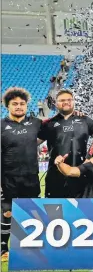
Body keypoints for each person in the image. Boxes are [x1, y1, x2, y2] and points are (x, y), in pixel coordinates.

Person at [1, 87, 45, 262]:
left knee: (32, 212)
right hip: (7, 179)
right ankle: (3, 248)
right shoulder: (1, 126)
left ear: (27, 105)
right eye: (14, 104)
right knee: (7, 213)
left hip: (31, 178)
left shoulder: (35, 123)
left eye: (22, 104)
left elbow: (47, 134)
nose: (19, 106)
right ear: (7, 106)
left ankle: (30, 248)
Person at [38, 89, 93, 198]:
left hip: (81, 174)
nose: (66, 102)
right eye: (62, 100)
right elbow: (30, 143)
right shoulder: (48, 124)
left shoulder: (86, 120)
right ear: (55, 103)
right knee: (55, 213)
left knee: (81, 212)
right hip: (55, 176)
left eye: (69, 100)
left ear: (74, 102)